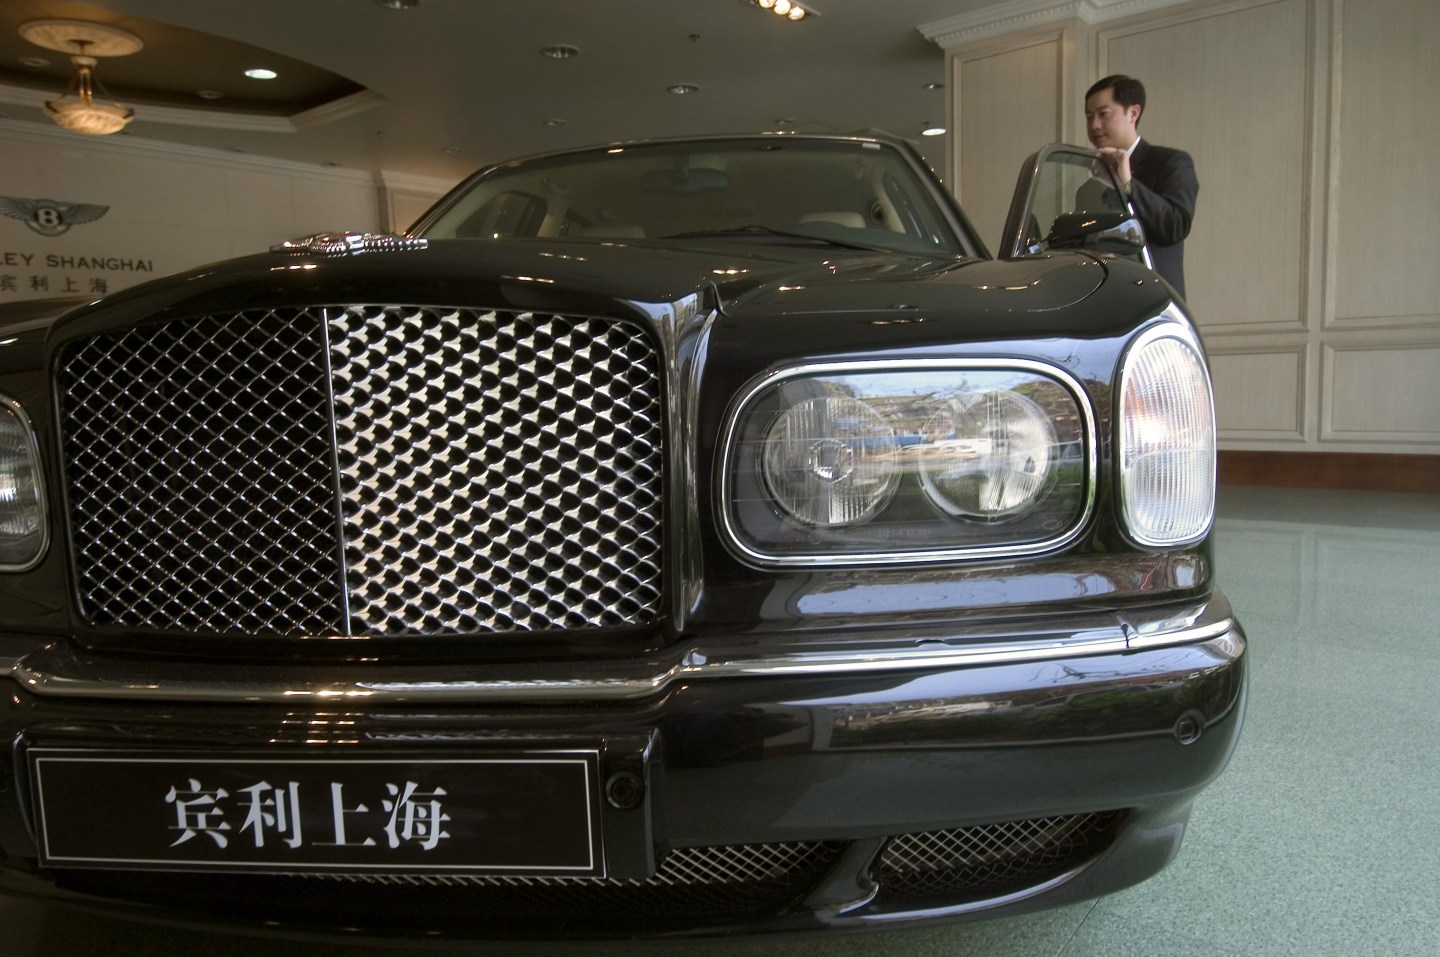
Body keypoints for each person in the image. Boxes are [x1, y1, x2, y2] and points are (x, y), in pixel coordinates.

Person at [1082, 75, 1198, 299]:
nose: (1094, 125)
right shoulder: (1086, 186)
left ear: (1133, 113)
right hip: (1102, 302)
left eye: (1103, 114)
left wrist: (1129, 185)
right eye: (1089, 116)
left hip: (1155, 303)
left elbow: (1175, 227)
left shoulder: (1171, 162)